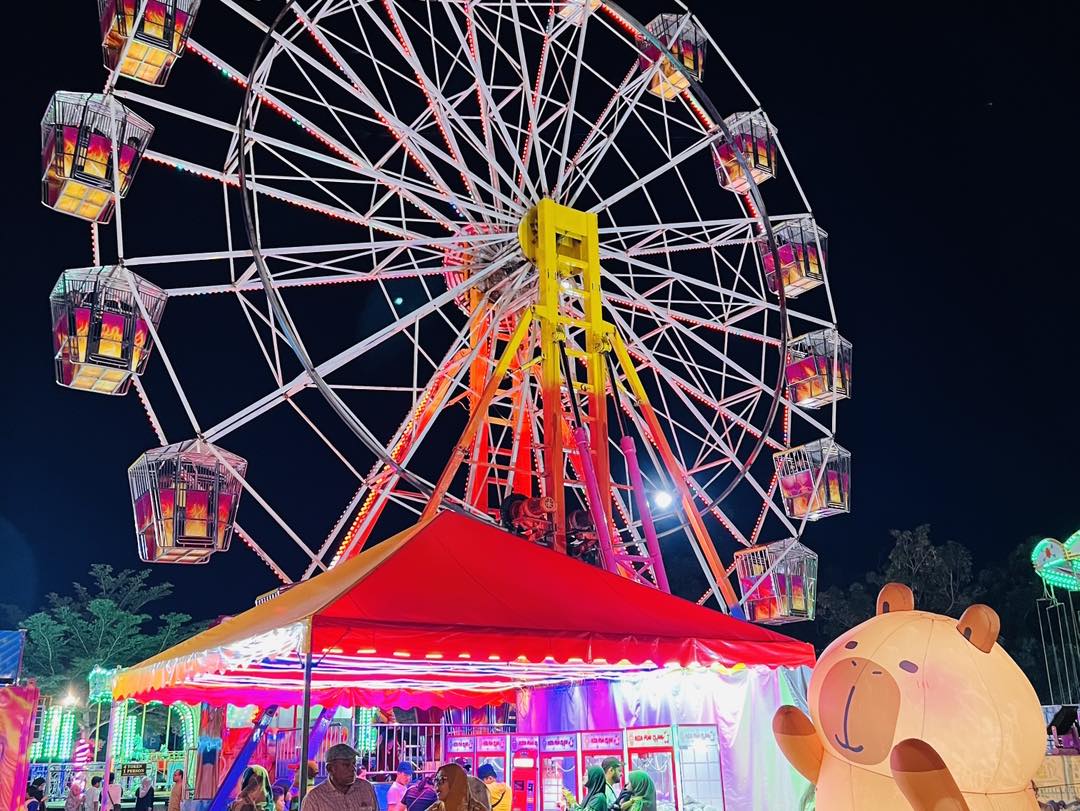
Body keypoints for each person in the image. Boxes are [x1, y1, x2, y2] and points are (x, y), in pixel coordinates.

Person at [300, 743, 377, 811]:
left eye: (354, 763)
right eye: (346, 765)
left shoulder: (366, 788)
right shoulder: (314, 798)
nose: (353, 768)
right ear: (330, 768)